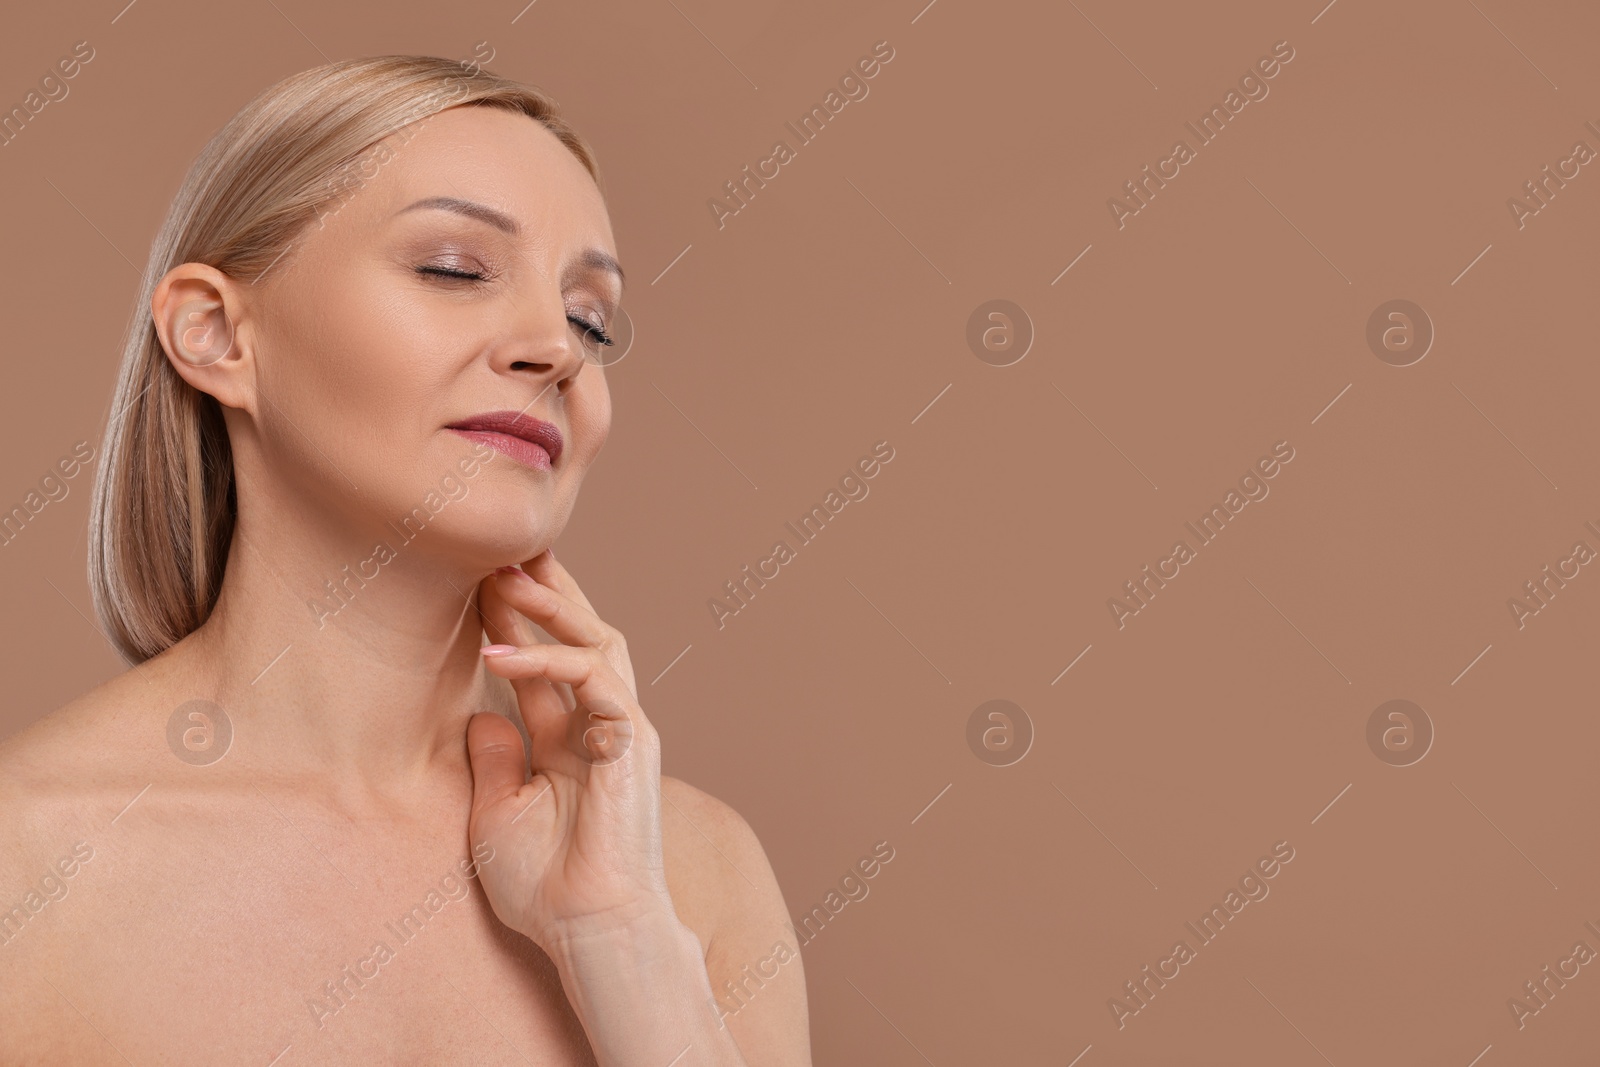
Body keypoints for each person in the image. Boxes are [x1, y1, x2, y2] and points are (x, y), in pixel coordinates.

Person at [0, 54, 810, 1065]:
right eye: (455, 269)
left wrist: (615, 935)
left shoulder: (689, 873)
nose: (556, 348)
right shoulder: (23, 860)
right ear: (215, 335)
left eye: (590, 320)